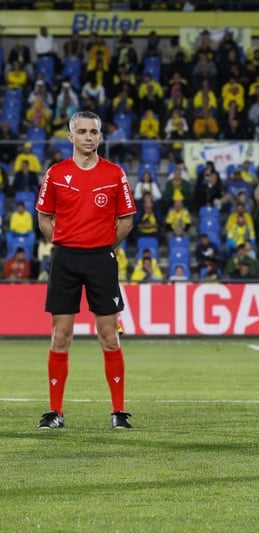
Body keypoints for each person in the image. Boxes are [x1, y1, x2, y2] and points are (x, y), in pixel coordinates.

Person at [35, 110, 137, 430]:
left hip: (101, 260)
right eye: (82, 132)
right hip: (65, 260)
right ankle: (55, 411)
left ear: (100, 136)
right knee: (60, 335)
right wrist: (64, 244)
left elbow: (126, 220)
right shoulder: (56, 173)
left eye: (93, 132)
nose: (88, 137)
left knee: (109, 336)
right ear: (71, 137)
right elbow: (44, 217)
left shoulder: (114, 173)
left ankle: (119, 411)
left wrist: (103, 247)